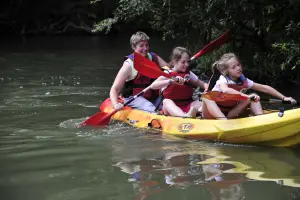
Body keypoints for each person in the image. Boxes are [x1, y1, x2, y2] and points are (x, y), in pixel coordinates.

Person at [202, 53, 297, 119]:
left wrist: (284, 97)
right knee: (206, 97)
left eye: (238, 65)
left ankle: (261, 119)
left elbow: (265, 88)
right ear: (227, 71)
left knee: (254, 96)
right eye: (234, 67)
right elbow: (226, 90)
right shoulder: (223, 79)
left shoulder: (244, 81)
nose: (238, 68)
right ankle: (224, 123)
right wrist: (247, 96)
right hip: (212, 114)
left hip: (229, 113)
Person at [110, 31, 169, 113]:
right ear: (134, 47)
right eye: (141, 46)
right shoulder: (128, 65)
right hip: (135, 98)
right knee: (152, 109)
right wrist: (116, 104)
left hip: (154, 96)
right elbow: (115, 89)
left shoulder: (153, 57)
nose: (145, 49)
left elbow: (169, 70)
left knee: (169, 102)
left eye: (147, 45)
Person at [150, 47, 208, 118]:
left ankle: (191, 113)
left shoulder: (189, 73)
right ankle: (185, 116)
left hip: (187, 106)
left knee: (204, 99)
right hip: (171, 108)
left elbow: (201, 83)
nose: (186, 65)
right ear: (174, 62)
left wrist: (207, 88)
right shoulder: (167, 73)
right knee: (166, 101)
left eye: (188, 62)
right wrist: (171, 81)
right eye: (183, 62)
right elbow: (153, 86)